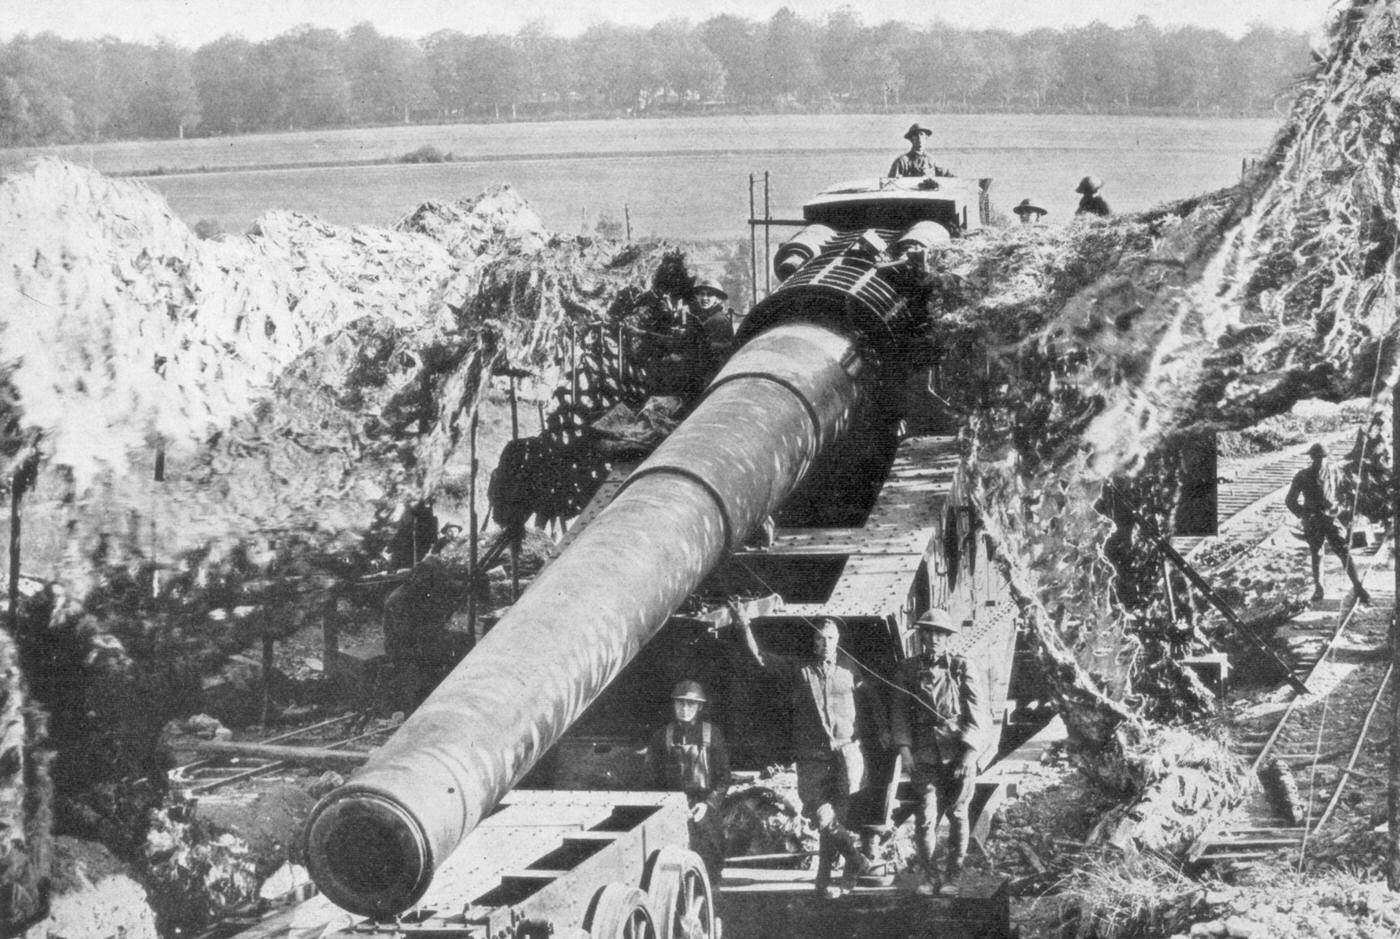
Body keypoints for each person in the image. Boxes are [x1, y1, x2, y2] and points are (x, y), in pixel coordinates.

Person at [731, 603, 887, 899]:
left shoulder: (849, 670)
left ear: (837, 640)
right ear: (813, 643)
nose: (825, 644)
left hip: (846, 755)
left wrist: (882, 730)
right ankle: (855, 861)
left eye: (830, 638)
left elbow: (874, 700)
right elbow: (762, 659)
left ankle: (825, 879)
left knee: (836, 821)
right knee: (820, 813)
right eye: (819, 638)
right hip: (812, 757)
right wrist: (744, 626)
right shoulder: (800, 670)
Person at [891, 609, 989, 898]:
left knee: (958, 815)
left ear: (947, 638)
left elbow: (977, 715)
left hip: (958, 754)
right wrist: (905, 751)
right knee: (925, 817)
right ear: (921, 636)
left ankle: (953, 876)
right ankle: (929, 875)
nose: (933, 638)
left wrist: (969, 755)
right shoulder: (907, 670)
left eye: (939, 633)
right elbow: (899, 714)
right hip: (923, 755)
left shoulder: (961, 667)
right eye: (928, 633)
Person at [648, 680, 731, 886]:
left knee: (709, 860)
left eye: (690, 704)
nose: (684, 709)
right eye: (680, 704)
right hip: (671, 806)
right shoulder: (662, 735)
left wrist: (708, 804)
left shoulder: (712, 734)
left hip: (703, 807)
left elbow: (724, 777)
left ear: (699, 707)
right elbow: (652, 777)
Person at [1285, 442, 1371, 603]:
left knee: (1344, 551)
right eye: (1318, 457)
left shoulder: (1334, 472)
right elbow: (1290, 500)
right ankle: (1319, 588)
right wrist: (1304, 514)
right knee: (1317, 553)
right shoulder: (1302, 476)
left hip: (1332, 519)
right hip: (1313, 521)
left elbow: (1344, 490)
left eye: (1324, 457)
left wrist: (1344, 508)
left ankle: (1357, 586)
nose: (1321, 460)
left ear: (1327, 457)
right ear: (1311, 458)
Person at [888, 123, 954, 179]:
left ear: (926, 138)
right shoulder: (902, 161)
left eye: (921, 134)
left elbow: (949, 177)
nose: (919, 138)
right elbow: (890, 184)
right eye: (916, 135)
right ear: (911, 139)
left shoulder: (931, 160)